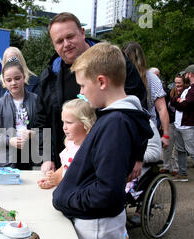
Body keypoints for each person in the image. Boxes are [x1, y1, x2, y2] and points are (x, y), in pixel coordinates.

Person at [52, 43, 153, 239]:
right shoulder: (116, 116)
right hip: (95, 222)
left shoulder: (115, 124)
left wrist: (66, 198)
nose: (82, 93)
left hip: (96, 227)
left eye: (83, 87)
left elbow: (106, 192)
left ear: (101, 81)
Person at [35, 12, 148, 173]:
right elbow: (42, 121)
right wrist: (46, 157)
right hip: (67, 162)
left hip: (108, 159)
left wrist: (137, 156)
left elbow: (137, 109)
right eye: (59, 41)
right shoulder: (49, 76)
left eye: (70, 36)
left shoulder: (113, 62)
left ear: (82, 32)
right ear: (53, 45)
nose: (66, 44)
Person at [0, 58, 39, 169]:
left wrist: (35, 133)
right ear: (4, 82)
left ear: (24, 77)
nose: (13, 83)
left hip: (34, 158)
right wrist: (9, 141)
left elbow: (47, 128)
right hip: (8, 159)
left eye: (17, 78)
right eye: (9, 80)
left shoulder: (37, 100)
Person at [37, 98, 96, 189]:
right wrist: (52, 179)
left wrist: (59, 180)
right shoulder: (70, 144)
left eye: (69, 122)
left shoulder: (90, 150)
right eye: (63, 122)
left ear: (85, 123)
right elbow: (64, 167)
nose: (64, 127)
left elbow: (84, 181)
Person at [123, 42, 170, 148]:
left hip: (126, 128)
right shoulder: (152, 78)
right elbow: (162, 109)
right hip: (146, 129)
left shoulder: (120, 77)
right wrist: (166, 135)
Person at [170, 64, 194, 190]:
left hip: (190, 126)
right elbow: (174, 101)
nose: (185, 76)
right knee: (180, 150)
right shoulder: (188, 89)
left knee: (193, 152)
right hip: (179, 125)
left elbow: (184, 105)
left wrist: (180, 102)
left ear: (191, 74)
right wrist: (179, 101)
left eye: (186, 74)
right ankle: (182, 174)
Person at [0, 46, 39, 115]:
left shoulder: (34, 81)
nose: (13, 83)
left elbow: (39, 109)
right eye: (9, 62)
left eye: (15, 60)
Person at [161, 73, 188, 176]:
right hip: (171, 122)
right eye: (176, 82)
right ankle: (166, 166)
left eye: (179, 83)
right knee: (168, 145)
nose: (177, 85)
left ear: (183, 83)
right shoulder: (170, 93)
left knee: (178, 147)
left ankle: (176, 168)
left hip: (181, 123)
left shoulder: (186, 93)